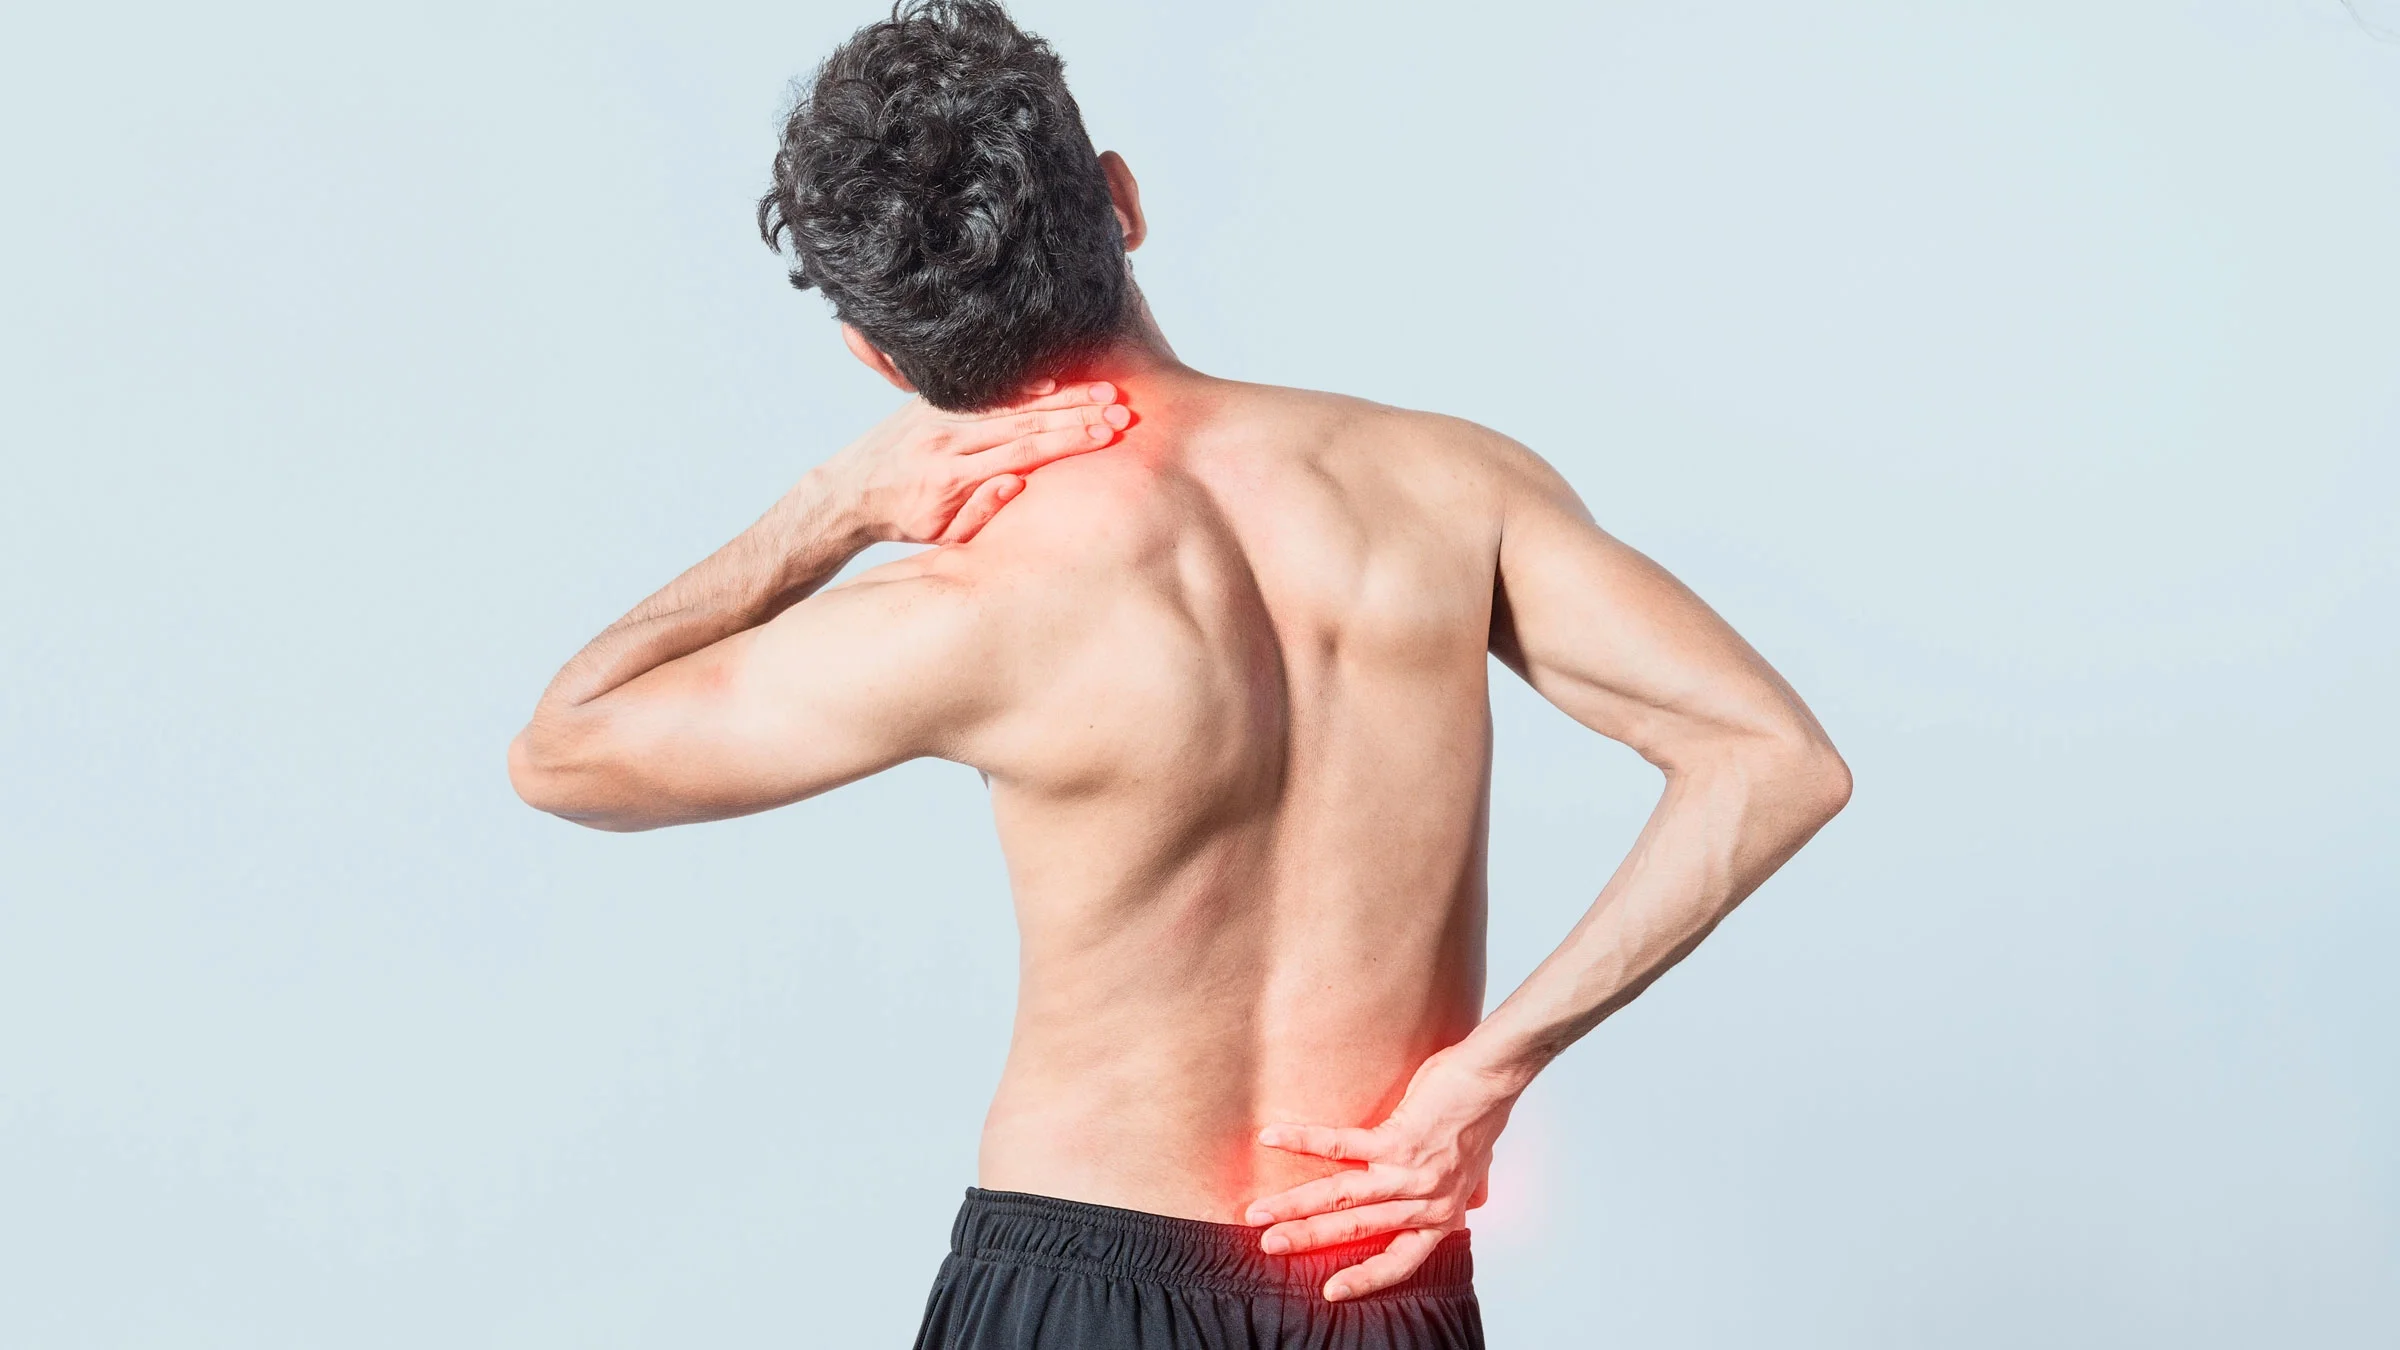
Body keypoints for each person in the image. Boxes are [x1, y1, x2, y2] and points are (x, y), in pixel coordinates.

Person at [507, 3, 1851, 1346]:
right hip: (1372, 1271)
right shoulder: (1452, 489)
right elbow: (1775, 758)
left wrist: (826, 508)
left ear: (878, 355)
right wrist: (1489, 1072)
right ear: (1123, 201)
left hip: (1074, 1284)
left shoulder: (966, 607)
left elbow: (562, 749)